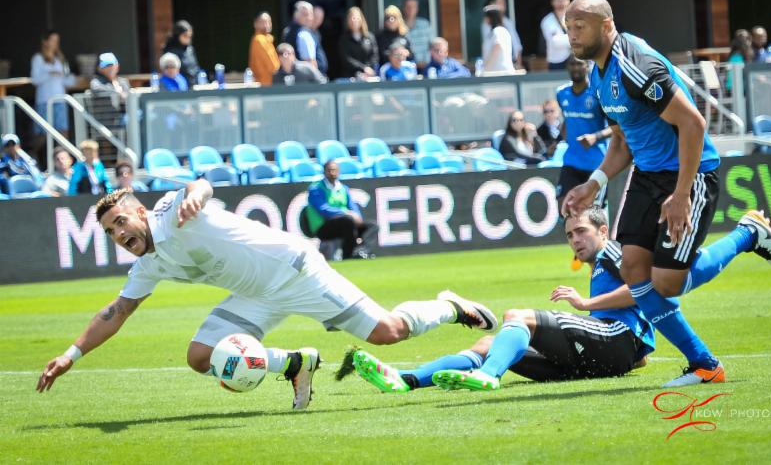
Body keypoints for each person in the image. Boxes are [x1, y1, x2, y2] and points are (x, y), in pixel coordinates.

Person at [36, 181, 498, 411]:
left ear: (139, 212)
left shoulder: (171, 212)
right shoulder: (146, 264)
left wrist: (196, 195)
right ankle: (295, 364)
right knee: (200, 356)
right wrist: (71, 355)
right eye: (110, 231)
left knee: (389, 332)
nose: (119, 233)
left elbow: (199, 185)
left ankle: (450, 306)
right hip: (254, 294)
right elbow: (116, 311)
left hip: (297, 272)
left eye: (121, 222)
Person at [561, 0, 771, 387]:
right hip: (647, 174)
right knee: (633, 269)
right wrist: (593, 183)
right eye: (568, 28)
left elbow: (693, 124)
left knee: (667, 282)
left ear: (606, 24)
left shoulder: (636, 66)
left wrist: (682, 194)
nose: (572, 35)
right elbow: (622, 142)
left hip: (690, 172)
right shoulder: (599, 76)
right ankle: (704, 364)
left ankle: (747, 235)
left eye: (580, 26)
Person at [351, 206, 654, 393]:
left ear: (603, 231)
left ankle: (487, 375)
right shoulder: (599, 266)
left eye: (581, 231)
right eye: (569, 235)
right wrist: (633, 357)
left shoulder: (611, 250)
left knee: (518, 317)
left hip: (615, 340)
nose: (575, 240)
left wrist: (586, 304)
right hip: (601, 359)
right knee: (489, 344)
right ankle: (408, 380)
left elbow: (645, 287)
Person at [555, 55, 611, 206]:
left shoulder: (598, 93)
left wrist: (595, 137)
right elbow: (567, 119)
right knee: (564, 205)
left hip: (596, 163)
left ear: (587, 66)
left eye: (579, 64)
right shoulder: (561, 93)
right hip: (571, 160)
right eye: (572, 64)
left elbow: (615, 128)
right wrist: (559, 139)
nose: (575, 68)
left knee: (593, 211)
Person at [306, 160, 377, 260]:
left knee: (372, 226)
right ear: (324, 172)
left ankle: (361, 251)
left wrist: (357, 218)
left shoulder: (343, 188)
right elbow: (323, 209)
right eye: (329, 170)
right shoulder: (316, 189)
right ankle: (347, 256)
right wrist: (345, 213)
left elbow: (352, 206)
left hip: (346, 222)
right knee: (348, 220)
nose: (332, 173)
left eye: (334, 170)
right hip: (323, 227)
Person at [30, 31, 76, 138]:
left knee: (63, 132)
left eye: (57, 41)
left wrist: (74, 79)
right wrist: (50, 74)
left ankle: (62, 150)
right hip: (44, 101)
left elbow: (65, 79)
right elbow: (34, 80)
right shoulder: (38, 58)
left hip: (60, 101)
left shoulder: (60, 59)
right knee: (43, 135)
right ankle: (33, 149)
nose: (56, 43)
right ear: (45, 42)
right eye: (53, 40)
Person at [282, 1, 324, 75]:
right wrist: (318, 78)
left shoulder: (288, 31)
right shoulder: (304, 34)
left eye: (311, 14)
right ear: (296, 16)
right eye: (305, 14)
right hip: (307, 78)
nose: (310, 18)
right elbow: (311, 63)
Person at [480, 0, 522, 67]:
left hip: (503, 67)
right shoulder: (487, 26)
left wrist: (519, 65)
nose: (502, 5)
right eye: (499, 2)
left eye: (503, 3)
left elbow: (516, 46)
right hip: (495, 67)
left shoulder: (503, 27)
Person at [339, 6, 379, 79]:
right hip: (351, 77)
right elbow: (346, 59)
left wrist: (368, 69)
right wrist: (363, 68)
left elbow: (374, 56)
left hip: (369, 75)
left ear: (361, 19)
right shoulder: (344, 39)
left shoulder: (369, 37)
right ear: (348, 21)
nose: (354, 20)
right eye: (352, 18)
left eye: (356, 18)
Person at [540, 0, 572, 70]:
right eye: (558, 0)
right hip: (557, 62)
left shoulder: (574, 18)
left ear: (569, 1)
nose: (561, 3)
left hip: (574, 60)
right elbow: (555, 42)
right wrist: (574, 38)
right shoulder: (547, 21)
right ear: (552, 2)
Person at [162, 20, 200, 86]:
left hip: (194, 84)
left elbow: (195, 67)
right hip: (178, 86)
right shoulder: (170, 52)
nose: (188, 39)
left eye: (189, 36)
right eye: (185, 36)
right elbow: (170, 73)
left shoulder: (190, 49)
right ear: (177, 35)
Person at [248, 12, 280, 86]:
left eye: (269, 21)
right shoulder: (259, 40)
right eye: (263, 22)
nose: (267, 24)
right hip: (267, 84)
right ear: (255, 24)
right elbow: (272, 66)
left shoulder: (266, 39)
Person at [481, 5, 515, 74]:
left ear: (492, 18)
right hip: (495, 73)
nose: (485, 19)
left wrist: (486, 70)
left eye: (486, 16)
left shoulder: (499, 31)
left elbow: (497, 47)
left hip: (500, 74)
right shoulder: (493, 32)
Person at [402, 0, 433, 67]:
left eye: (414, 7)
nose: (411, 9)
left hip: (426, 65)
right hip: (407, 67)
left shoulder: (425, 24)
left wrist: (425, 61)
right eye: (408, 7)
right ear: (403, 8)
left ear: (417, 9)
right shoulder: (399, 27)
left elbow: (432, 45)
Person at [310, 5, 329, 76]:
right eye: (316, 17)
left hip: (321, 74)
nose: (317, 20)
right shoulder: (305, 33)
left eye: (320, 18)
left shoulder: (317, 33)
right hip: (313, 74)